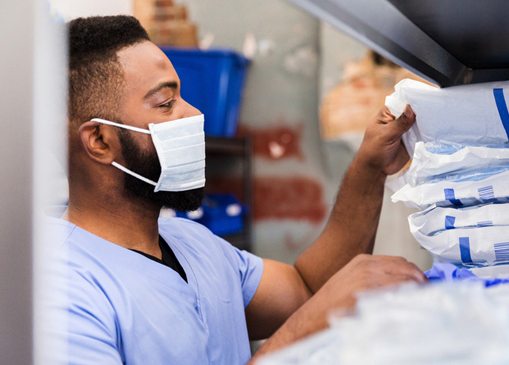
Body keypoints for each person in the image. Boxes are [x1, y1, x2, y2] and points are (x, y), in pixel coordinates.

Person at [46, 15, 427, 365]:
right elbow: (312, 311)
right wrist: (299, 334)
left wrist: (369, 167)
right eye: (165, 103)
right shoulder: (60, 294)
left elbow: (309, 289)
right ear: (99, 140)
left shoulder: (193, 244)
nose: (194, 114)